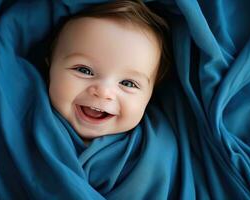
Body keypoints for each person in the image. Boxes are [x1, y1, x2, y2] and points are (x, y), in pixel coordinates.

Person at [47, 0, 171, 144]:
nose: (104, 92)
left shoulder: (157, 147)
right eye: (84, 70)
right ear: (49, 64)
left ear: (150, 95)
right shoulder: (22, 116)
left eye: (128, 83)